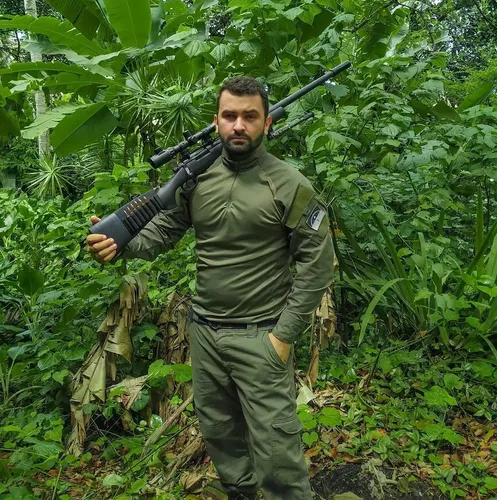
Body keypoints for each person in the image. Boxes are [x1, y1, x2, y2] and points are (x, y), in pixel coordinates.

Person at [86, 76, 334, 500]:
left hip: (261, 335)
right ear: (216, 121)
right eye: (230, 115)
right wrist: (118, 244)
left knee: (277, 452)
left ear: (267, 122)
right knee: (221, 435)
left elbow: (317, 264)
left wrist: (283, 337)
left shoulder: (290, 184)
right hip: (205, 332)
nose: (239, 125)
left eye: (249, 116)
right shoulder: (195, 179)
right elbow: (161, 233)